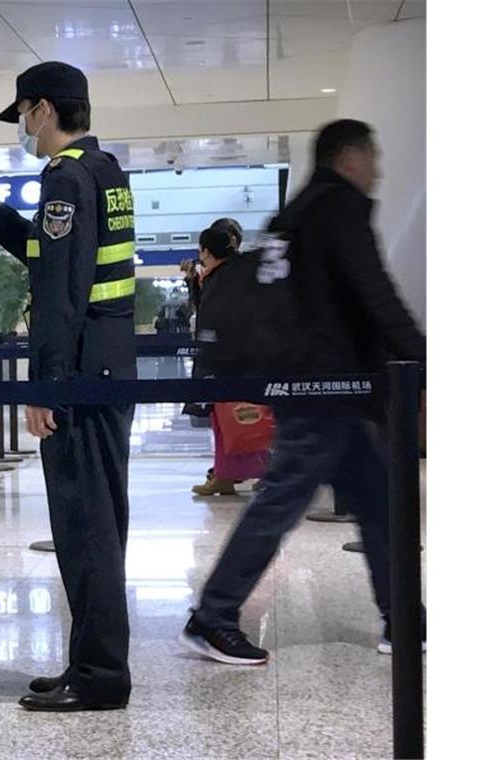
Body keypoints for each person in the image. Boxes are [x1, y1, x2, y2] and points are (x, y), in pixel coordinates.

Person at [180, 119, 427, 665]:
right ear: (348, 157)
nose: (378, 168)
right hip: (326, 386)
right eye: (373, 155)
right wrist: (424, 359)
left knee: (376, 502)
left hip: (307, 381)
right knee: (280, 501)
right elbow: (376, 292)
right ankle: (214, 615)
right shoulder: (338, 208)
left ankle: (405, 620)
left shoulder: (291, 217)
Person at [0, 61, 136, 712]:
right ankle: (90, 661)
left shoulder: (63, 178)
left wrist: (44, 388)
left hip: (81, 374)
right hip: (110, 369)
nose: (24, 127)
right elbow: (52, 254)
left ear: (45, 110)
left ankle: (100, 675)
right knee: (101, 522)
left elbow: (57, 294)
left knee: (85, 525)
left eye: (25, 114)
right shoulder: (105, 171)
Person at [188, 227, 271, 497]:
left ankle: (264, 473)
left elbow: (219, 321)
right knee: (227, 423)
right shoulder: (229, 275)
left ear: (207, 251)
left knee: (240, 422)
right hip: (234, 362)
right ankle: (224, 475)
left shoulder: (224, 279)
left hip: (227, 365)